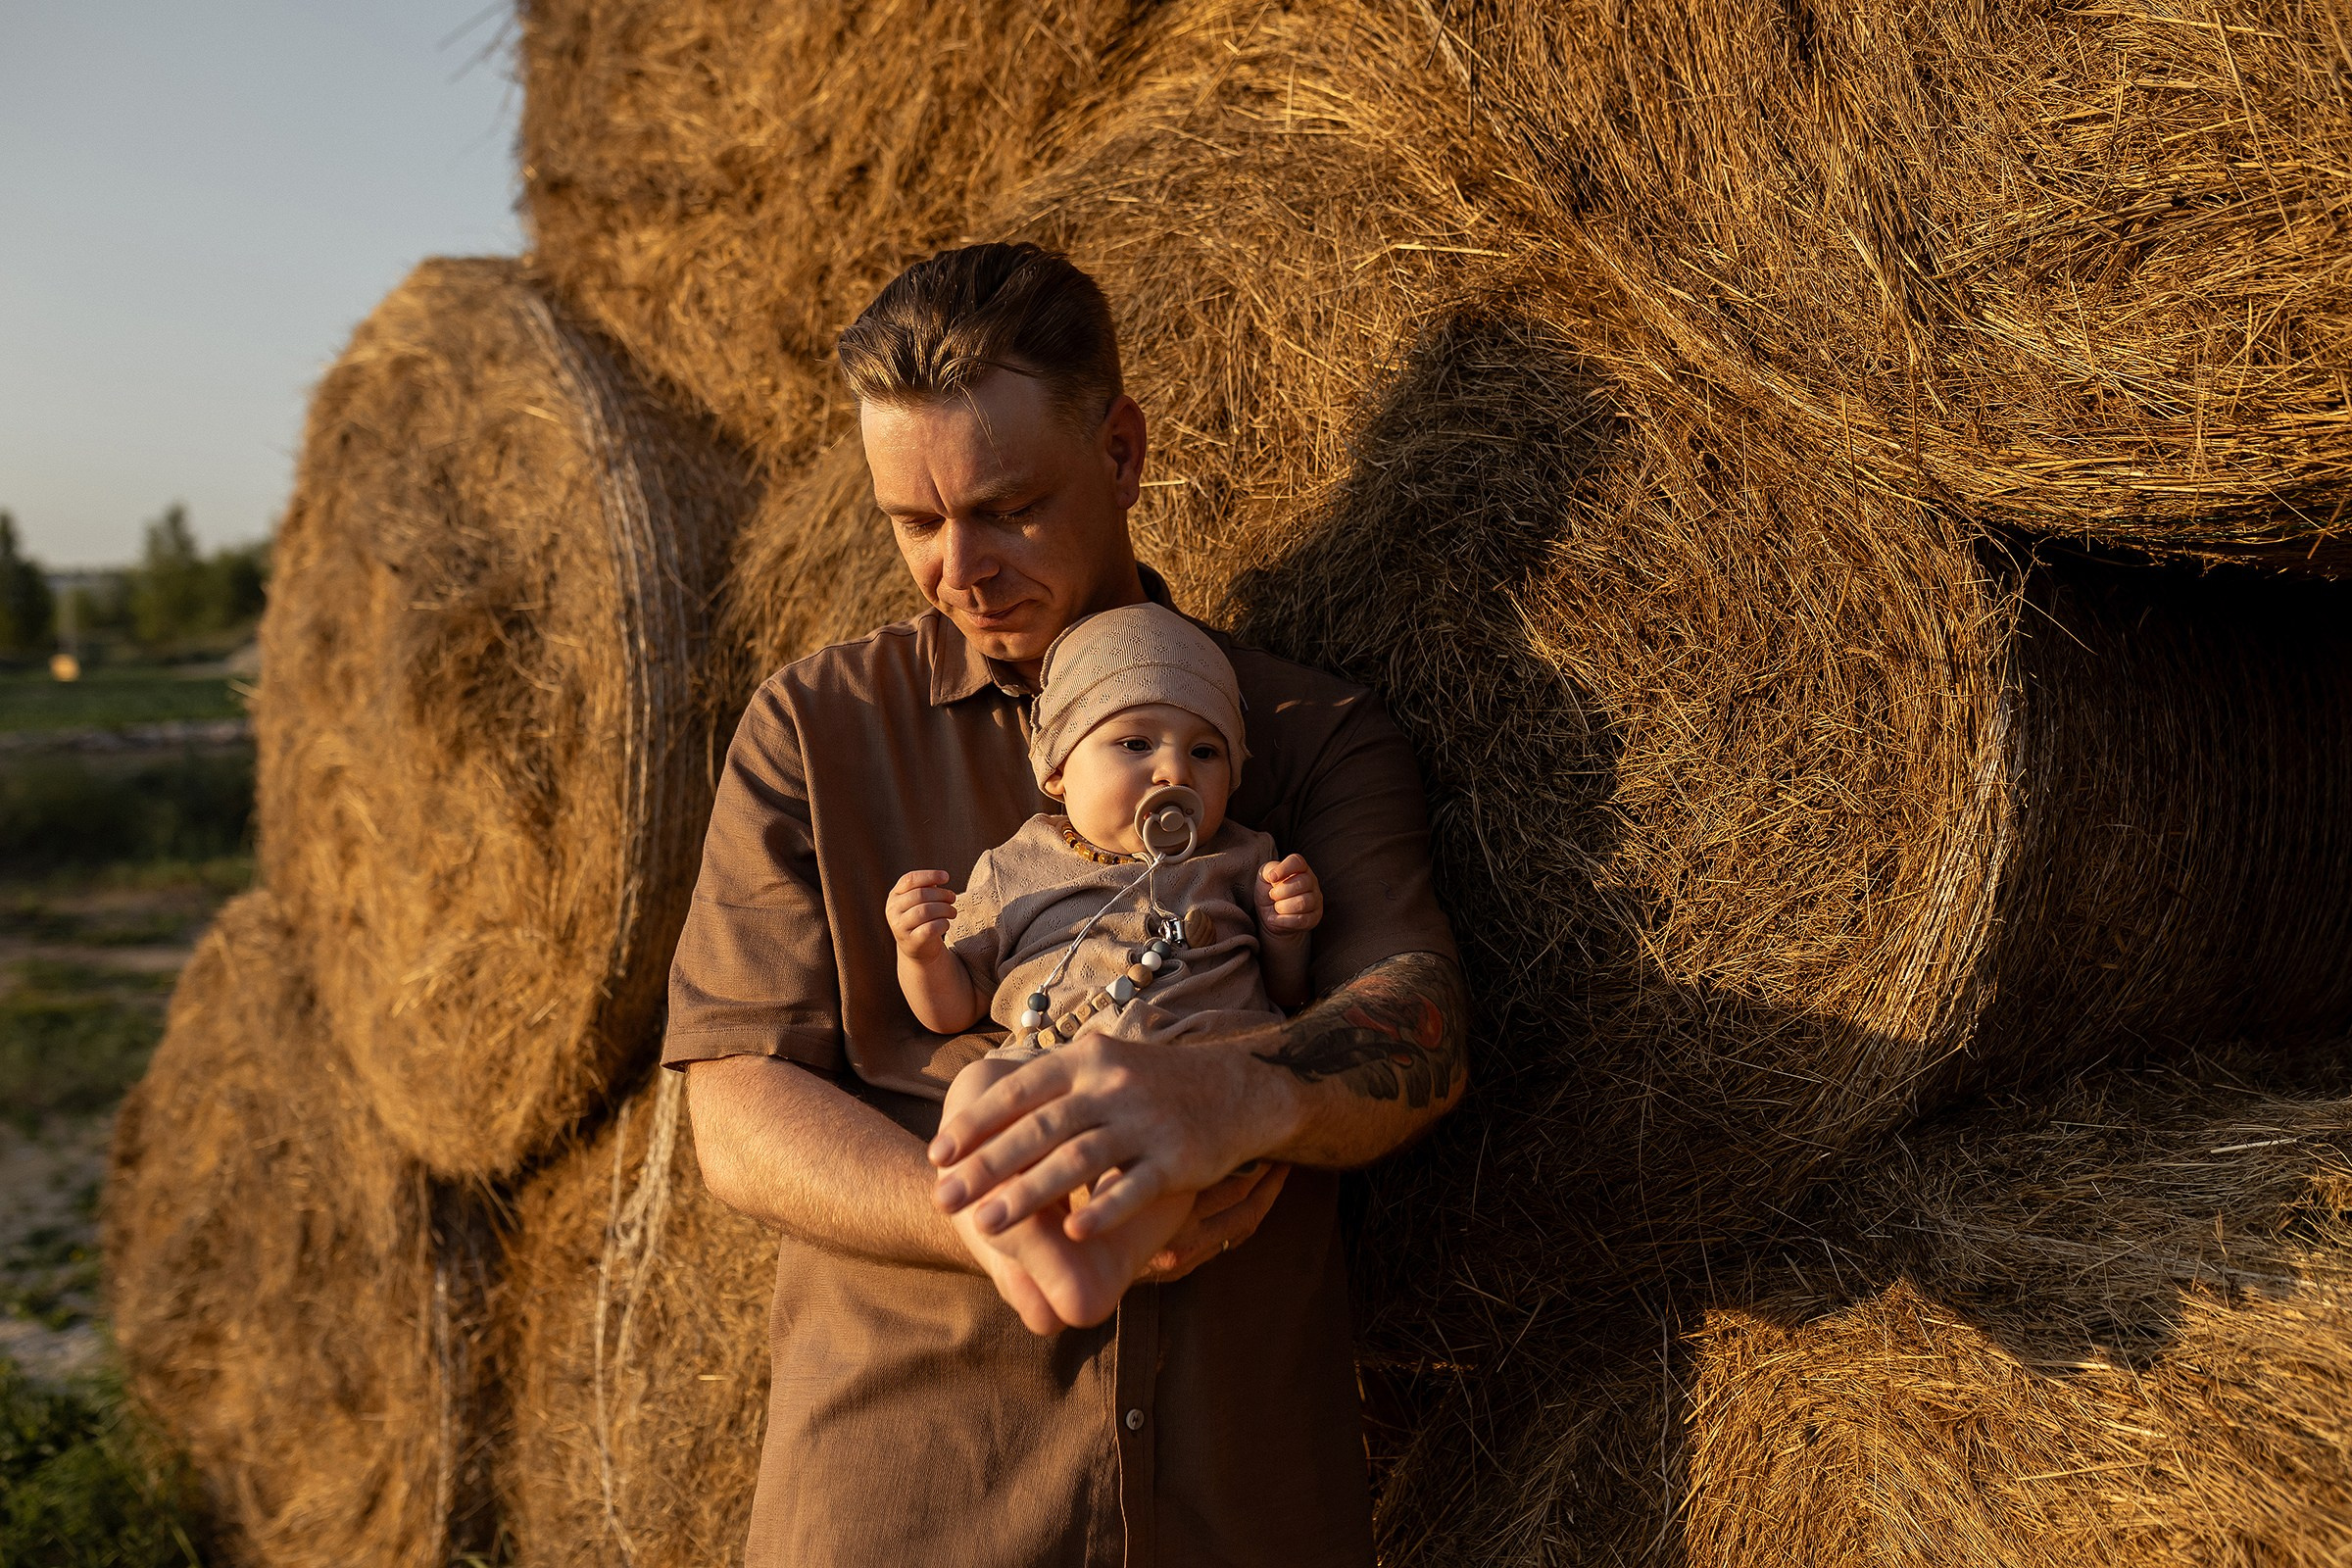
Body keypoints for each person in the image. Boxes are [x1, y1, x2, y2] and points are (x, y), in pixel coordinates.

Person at [665, 240, 1467, 1568]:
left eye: (1007, 507)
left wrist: (1239, 1094)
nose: (958, 570)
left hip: (1245, 1509)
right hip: (907, 1504)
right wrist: (994, 1212)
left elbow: (1421, 1018)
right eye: (912, 524)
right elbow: (736, 1115)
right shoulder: (815, 731)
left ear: (1124, 454)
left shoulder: (1303, 733)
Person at [888, 601, 1328, 1330]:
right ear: (1058, 770)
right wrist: (921, 951)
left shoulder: (1244, 855)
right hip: (1054, 1068)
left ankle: (1107, 1260)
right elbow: (953, 1009)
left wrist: (1287, 927)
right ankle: (1020, 1248)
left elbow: (1289, 992)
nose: (1171, 770)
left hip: (1190, 1070)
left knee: (1169, 1152)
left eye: (1205, 752)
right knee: (976, 1084)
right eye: (1134, 743)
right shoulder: (1016, 867)